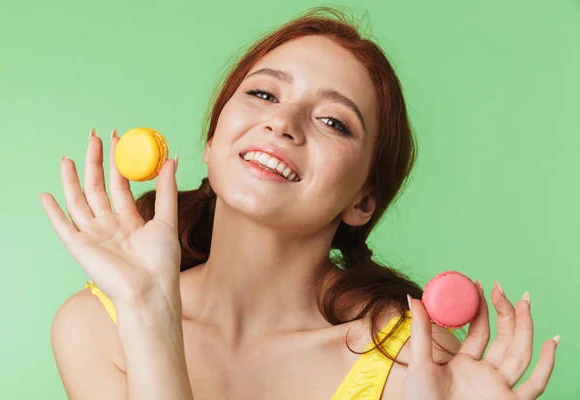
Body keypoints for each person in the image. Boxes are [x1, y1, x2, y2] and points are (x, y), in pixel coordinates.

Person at [40, 6, 558, 399]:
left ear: (363, 202)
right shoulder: (98, 323)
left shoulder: (415, 361)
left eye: (333, 121)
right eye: (264, 94)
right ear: (214, 139)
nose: (282, 123)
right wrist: (148, 315)